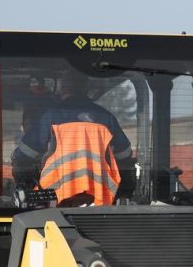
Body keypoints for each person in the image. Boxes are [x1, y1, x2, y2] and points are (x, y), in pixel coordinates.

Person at [11, 72, 136, 206]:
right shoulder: (106, 118)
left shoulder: (51, 116)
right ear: (86, 89)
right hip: (100, 200)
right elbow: (124, 156)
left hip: (55, 199)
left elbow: (24, 155)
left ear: (62, 89)